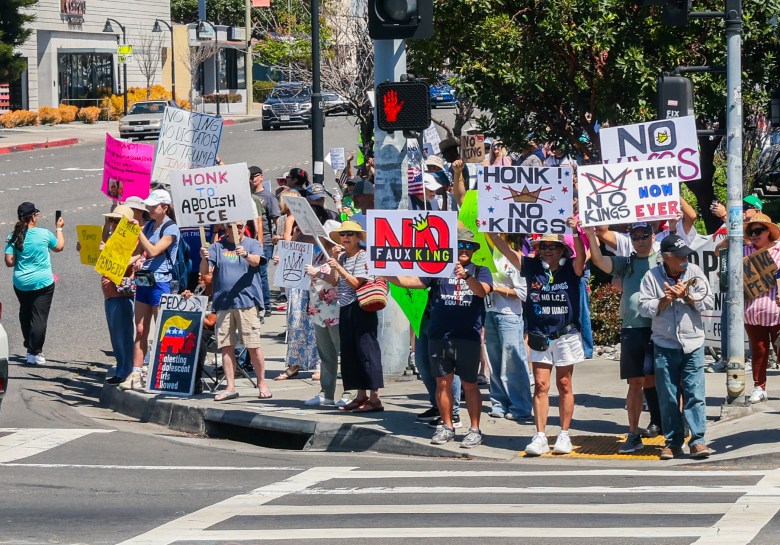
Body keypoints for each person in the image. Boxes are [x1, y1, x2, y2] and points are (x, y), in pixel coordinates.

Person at [387, 229, 493, 448]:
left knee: (470, 384)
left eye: (468, 246)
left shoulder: (481, 270)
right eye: (460, 245)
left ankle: (475, 430)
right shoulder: (439, 269)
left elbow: (482, 292)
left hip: (467, 336)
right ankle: (447, 427)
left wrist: (466, 276)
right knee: (442, 383)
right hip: (440, 335)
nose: (464, 249)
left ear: (473, 251)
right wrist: (385, 273)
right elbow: (411, 281)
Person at [498, 222, 586, 457]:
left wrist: (577, 232)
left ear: (562, 250)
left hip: (566, 334)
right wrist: (487, 229)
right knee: (540, 385)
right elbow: (505, 249)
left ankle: (564, 434)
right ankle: (539, 436)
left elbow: (582, 258)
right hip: (540, 335)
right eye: (542, 246)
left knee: (564, 384)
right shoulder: (532, 266)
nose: (546, 250)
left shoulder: (571, 269)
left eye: (552, 246)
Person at [585, 222, 663, 453]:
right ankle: (633, 432)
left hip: (660, 328)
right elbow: (599, 261)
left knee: (667, 380)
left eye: (644, 235)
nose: (640, 239)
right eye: (635, 235)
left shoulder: (662, 260)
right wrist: (590, 235)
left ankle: (674, 427)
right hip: (632, 329)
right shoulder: (626, 262)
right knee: (636, 382)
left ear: (653, 235)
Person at [638, 235, 714, 460]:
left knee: (694, 394)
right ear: (667, 257)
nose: (685, 258)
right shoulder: (652, 276)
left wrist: (687, 296)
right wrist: (664, 300)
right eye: (680, 255)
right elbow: (643, 307)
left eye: (686, 254)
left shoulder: (695, 272)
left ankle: (698, 441)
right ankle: (673, 442)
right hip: (664, 344)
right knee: (668, 396)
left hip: (693, 344)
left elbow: (708, 302)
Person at [200, 221, 271, 401]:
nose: (236, 229)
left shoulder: (252, 243)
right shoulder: (218, 246)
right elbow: (206, 272)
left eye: (239, 226)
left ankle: (262, 384)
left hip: (247, 301)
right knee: (226, 346)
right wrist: (203, 257)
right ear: (224, 227)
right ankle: (230, 387)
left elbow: (258, 262)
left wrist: (246, 254)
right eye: (232, 225)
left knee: (253, 345)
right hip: (224, 303)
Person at [121, 189, 180, 391]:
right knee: (140, 328)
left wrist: (139, 232)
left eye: (153, 206)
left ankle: (163, 372)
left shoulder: (171, 228)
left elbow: (154, 251)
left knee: (162, 329)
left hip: (162, 281)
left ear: (165, 207)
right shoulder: (148, 227)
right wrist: (115, 263)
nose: (149, 208)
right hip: (145, 280)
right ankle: (136, 372)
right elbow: (140, 253)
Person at [324, 220, 384, 412]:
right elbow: (334, 282)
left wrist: (339, 267)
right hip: (346, 306)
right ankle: (360, 395)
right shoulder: (342, 258)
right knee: (351, 352)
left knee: (367, 351)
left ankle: (375, 397)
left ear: (359, 238)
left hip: (362, 306)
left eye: (350, 234)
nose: (345, 238)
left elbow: (356, 283)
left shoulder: (363, 256)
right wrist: (335, 264)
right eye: (343, 234)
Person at [4, 202, 65, 364]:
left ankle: (29, 343)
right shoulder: (44, 234)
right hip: (43, 282)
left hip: (21, 283)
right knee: (39, 317)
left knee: (25, 312)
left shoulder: (13, 236)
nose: (38, 216)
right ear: (32, 217)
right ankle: (34, 352)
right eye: (37, 214)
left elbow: (9, 261)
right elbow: (59, 247)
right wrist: (59, 228)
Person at [303, 219, 355, 407]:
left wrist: (317, 274)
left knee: (344, 353)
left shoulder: (341, 255)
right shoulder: (319, 256)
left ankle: (350, 391)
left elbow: (335, 280)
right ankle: (327, 392)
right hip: (319, 310)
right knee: (326, 354)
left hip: (336, 310)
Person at [481, 233, 532, 422]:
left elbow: (523, 293)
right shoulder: (488, 256)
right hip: (490, 312)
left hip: (510, 316)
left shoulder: (515, 257)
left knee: (513, 364)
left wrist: (495, 288)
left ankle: (521, 407)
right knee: (493, 362)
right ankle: (499, 403)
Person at [740, 214, 780, 404]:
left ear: (768, 232)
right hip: (753, 313)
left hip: (777, 311)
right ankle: (759, 387)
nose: (754, 234)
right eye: (750, 231)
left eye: (758, 230)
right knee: (759, 351)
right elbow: (717, 253)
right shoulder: (742, 252)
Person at [100, 205, 137, 383]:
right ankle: (121, 367)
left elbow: (133, 258)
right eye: (112, 220)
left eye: (116, 220)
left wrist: (107, 252)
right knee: (115, 335)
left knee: (123, 334)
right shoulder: (113, 237)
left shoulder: (133, 239)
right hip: (110, 293)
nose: (113, 223)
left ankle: (125, 370)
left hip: (121, 293)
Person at [250, 165, 280, 318]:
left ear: (261, 177)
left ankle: (266, 305)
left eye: (255, 176)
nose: (252, 179)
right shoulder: (247, 195)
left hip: (266, 240)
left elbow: (276, 219)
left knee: (261, 273)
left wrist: (276, 235)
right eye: (250, 176)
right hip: (249, 240)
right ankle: (256, 303)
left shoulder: (268, 197)